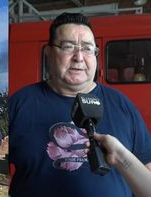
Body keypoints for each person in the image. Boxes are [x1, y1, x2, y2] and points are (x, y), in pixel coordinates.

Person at [9, 12, 151, 197]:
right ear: (48, 53)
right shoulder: (18, 104)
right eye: (68, 47)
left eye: (87, 48)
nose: (79, 57)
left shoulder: (122, 104)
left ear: (95, 55)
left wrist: (121, 158)